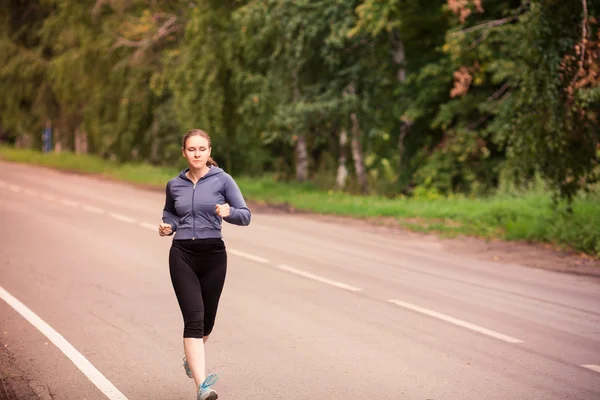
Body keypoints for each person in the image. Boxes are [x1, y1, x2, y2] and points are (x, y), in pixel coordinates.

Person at [158, 129, 251, 400]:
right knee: (194, 319)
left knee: (207, 321)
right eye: (191, 149)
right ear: (184, 152)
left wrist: (229, 212)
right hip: (182, 254)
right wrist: (168, 226)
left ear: (209, 152)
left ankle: (191, 357)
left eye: (202, 149)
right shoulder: (174, 184)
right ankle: (202, 387)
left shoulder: (223, 180)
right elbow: (170, 212)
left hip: (213, 256)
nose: (197, 154)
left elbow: (245, 215)